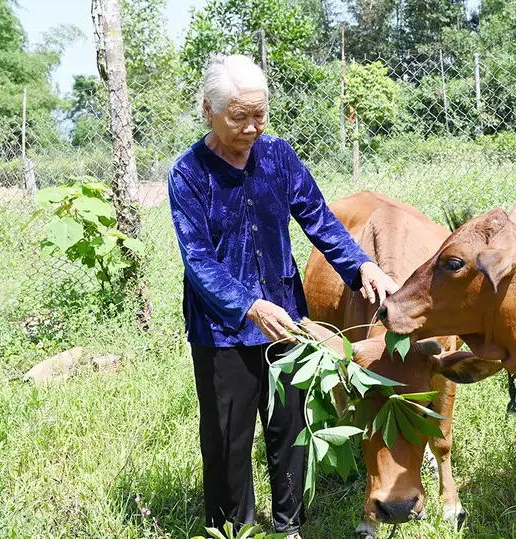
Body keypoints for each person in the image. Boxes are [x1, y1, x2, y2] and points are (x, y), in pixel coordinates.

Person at [167, 54, 398, 538]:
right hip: (222, 330)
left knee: (289, 430)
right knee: (228, 438)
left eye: (260, 114)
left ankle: (289, 526)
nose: (252, 127)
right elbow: (198, 260)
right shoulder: (188, 174)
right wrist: (248, 305)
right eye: (239, 116)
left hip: (288, 323)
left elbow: (319, 219)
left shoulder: (278, 156)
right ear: (208, 110)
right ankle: (235, 530)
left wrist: (364, 266)